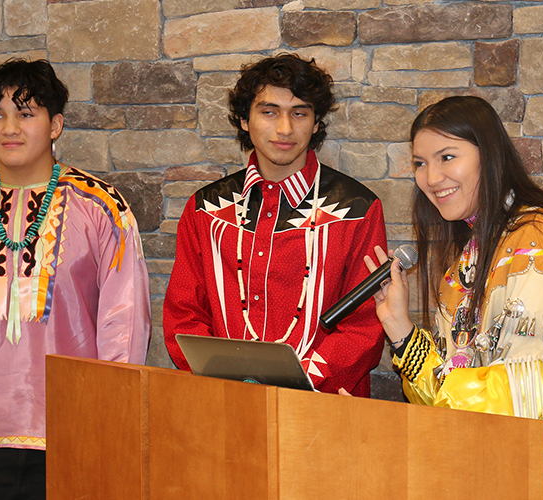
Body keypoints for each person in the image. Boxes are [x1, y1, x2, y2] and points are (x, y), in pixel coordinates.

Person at [367, 95, 543, 499]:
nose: (431, 178)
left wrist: (397, 430)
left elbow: (520, 398)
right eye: (419, 163)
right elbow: (454, 386)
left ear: (490, 155)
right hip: (507, 468)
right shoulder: (470, 257)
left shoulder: (542, 239)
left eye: (447, 157)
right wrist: (399, 327)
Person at [0, 59, 152, 500]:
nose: (10, 128)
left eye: (26, 113)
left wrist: (107, 431)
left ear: (55, 124)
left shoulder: (101, 210)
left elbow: (125, 330)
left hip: (72, 439)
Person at [163, 53, 387, 396]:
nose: (285, 128)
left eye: (299, 113)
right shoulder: (204, 211)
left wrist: (299, 381)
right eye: (269, 112)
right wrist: (226, 382)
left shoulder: (357, 210)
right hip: (224, 407)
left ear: (315, 123)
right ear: (244, 120)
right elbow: (183, 315)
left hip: (323, 412)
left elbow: (365, 327)